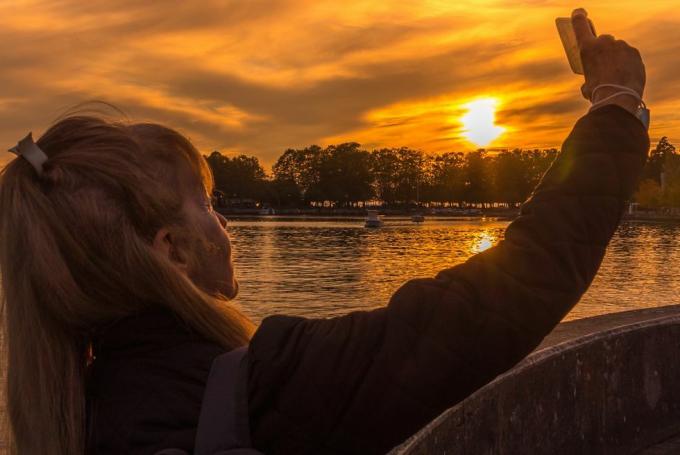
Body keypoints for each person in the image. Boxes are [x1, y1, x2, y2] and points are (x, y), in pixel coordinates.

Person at [0, 9, 649, 455]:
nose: (224, 224)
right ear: (169, 250)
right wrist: (616, 106)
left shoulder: (79, 407)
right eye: (205, 202)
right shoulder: (259, 386)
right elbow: (503, 295)